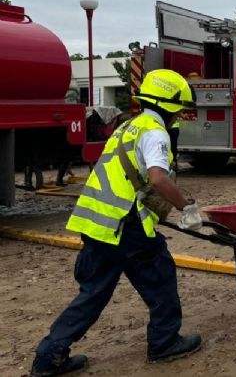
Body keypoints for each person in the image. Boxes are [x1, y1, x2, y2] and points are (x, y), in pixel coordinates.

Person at [30, 69, 204, 376]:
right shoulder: (155, 132)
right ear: (167, 106)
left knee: (93, 293)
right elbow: (158, 179)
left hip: (97, 222)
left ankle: (49, 356)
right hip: (125, 223)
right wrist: (187, 207)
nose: (177, 119)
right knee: (160, 275)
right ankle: (164, 343)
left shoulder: (130, 126)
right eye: (177, 112)